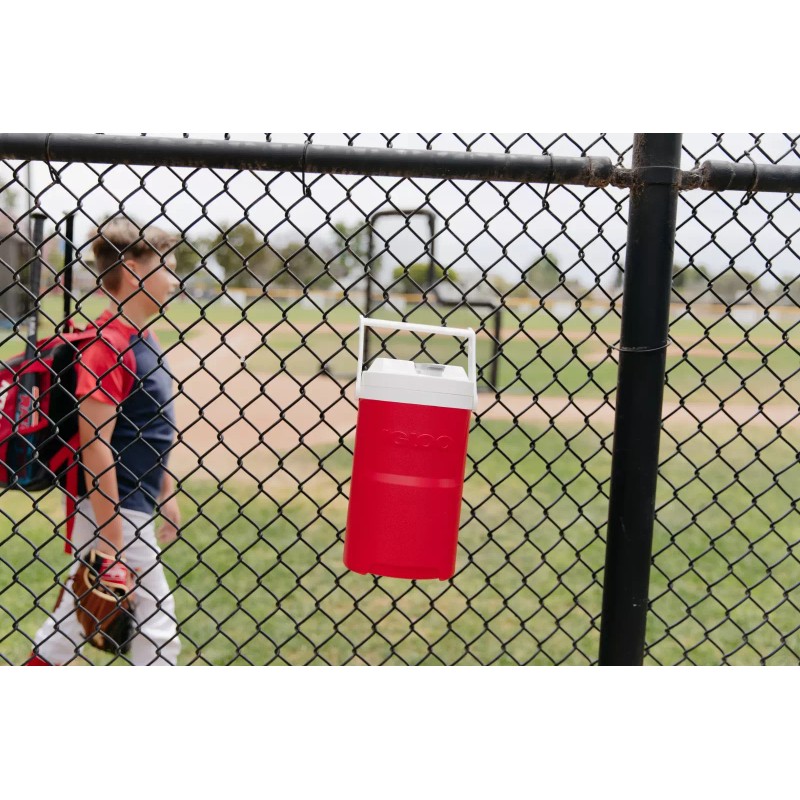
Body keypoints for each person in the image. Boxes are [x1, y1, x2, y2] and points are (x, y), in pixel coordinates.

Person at [25, 218, 182, 666]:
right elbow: (95, 445)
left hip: (130, 503)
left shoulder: (142, 336)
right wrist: (113, 543)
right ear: (133, 271)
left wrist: (165, 491)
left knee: (68, 626)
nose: (173, 279)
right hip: (117, 506)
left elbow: (150, 425)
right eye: (166, 267)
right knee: (157, 630)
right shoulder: (106, 346)